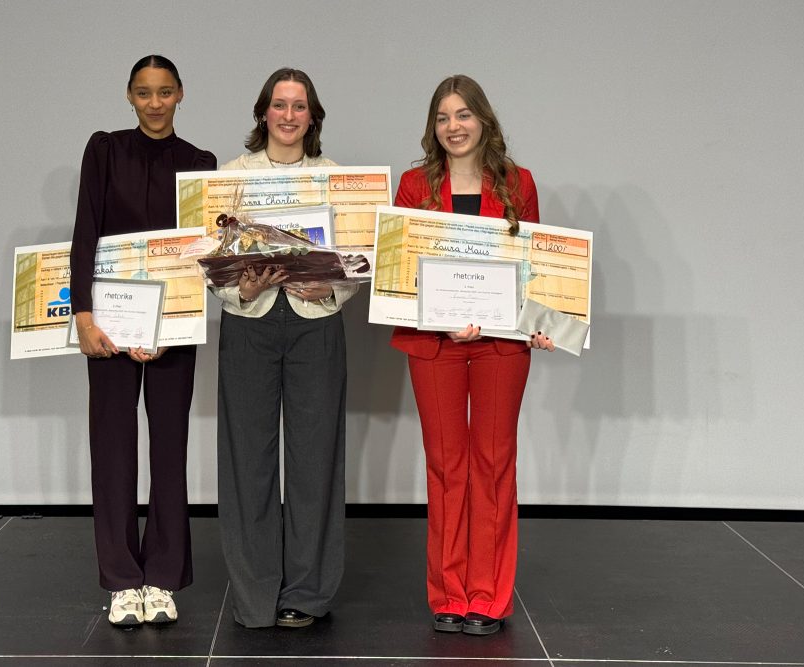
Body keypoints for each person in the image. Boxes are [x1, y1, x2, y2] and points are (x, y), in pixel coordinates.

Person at [391, 75, 555, 637]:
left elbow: (534, 267)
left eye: (463, 115)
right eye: (442, 117)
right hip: (433, 344)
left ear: (484, 120)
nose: (453, 127)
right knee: (445, 464)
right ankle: (449, 592)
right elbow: (400, 274)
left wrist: (543, 320)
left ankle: (488, 595)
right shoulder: (414, 185)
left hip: (501, 345)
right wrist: (443, 318)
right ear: (432, 127)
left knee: (493, 462)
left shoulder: (517, 182)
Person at [69, 55, 216, 627]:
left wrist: (168, 328)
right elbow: (86, 230)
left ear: (181, 94)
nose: (154, 103)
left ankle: (163, 578)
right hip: (106, 325)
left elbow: (197, 256)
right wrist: (84, 317)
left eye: (164, 92)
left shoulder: (199, 164)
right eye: (143, 93)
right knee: (111, 450)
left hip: (171, 331)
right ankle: (122, 581)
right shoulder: (104, 150)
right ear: (129, 96)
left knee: (169, 450)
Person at [212, 68, 356, 629]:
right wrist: (237, 286)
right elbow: (213, 257)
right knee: (246, 460)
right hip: (248, 322)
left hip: (315, 322)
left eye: (300, 107)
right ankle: (253, 594)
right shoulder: (231, 177)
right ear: (263, 113)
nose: (289, 116)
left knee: (315, 460)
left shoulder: (338, 178)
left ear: (313, 116)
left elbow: (357, 254)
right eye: (279, 105)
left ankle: (307, 592)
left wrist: (334, 285)